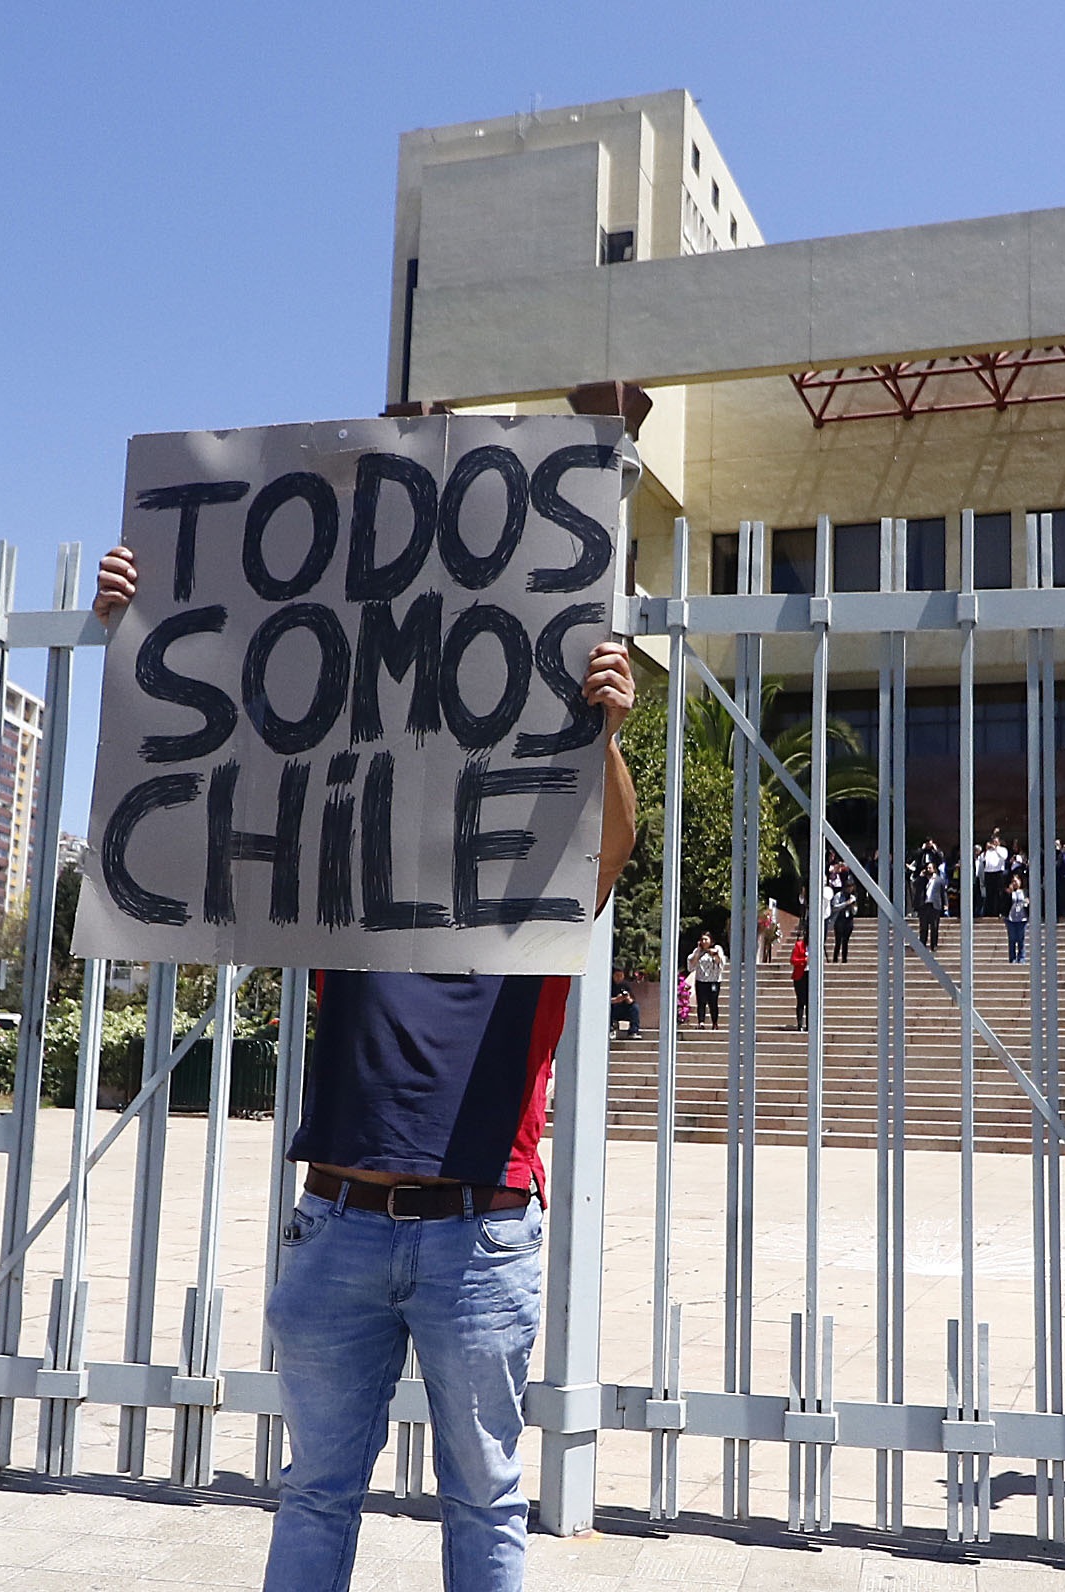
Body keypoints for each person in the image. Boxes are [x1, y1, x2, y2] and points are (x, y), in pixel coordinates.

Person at [94, 544, 637, 1592]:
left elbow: (608, 843)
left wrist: (602, 735)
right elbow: (224, 780)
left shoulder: (538, 908)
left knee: (484, 1494)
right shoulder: (342, 893)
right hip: (337, 1225)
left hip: (478, 1234)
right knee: (315, 1489)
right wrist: (138, 628)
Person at [689, 932, 728, 1029]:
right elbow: (691, 964)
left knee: (713, 1002)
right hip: (701, 980)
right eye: (702, 940)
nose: (704, 941)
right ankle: (701, 1022)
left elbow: (721, 963)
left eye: (706, 939)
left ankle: (714, 1022)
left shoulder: (717, 949)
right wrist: (698, 951)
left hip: (713, 980)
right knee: (701, 1002)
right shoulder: (698, 951)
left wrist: (714, 954)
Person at [825, 864, 856, 963]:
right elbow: (834, 907)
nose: (849, 889)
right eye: (848, 887)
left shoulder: (852, 897)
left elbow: (855, 910)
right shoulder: (839, 895)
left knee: (846, 941)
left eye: (851, 887)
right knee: (838, 940)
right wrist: (845, 904)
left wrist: (852, 906)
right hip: (839, 919)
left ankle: (844, 959)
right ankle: (835, 958)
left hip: (848, 919)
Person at [976, 830, 1011, 918]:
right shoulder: (988, 851)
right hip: (988, 873)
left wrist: (996, 848)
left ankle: (999, 911)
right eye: (992, 841)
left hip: (998, 873)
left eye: (995, 841)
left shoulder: (1002, 849)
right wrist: (985, 850)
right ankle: (989, 912)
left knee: (998, 893)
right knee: (989, 894)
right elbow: (981, 859)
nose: (993, 843)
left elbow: (1004, 856)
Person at [1005, 880, 1032, 964]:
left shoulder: (1025, 892)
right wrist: (1009, 892)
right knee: (1012, 939)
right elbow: (1004, 903)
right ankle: (1012, 958)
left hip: (1022, 918)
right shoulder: (1009, 893)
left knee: (1021, 939)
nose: (1015, 883)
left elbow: (1028, 902)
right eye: (1013, 881)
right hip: (1011, 918)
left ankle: (1021, 958)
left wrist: (1028, 902)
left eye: (1016, 881)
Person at [790, 927, 811, 1029]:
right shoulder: (799, 945)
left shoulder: (816, 947)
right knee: (801, 1000)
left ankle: (809, 1025)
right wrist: (804, 960)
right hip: (800, 976)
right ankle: (799, 1024)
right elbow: (793, 960)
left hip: (810, 976)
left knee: (809, 1001)